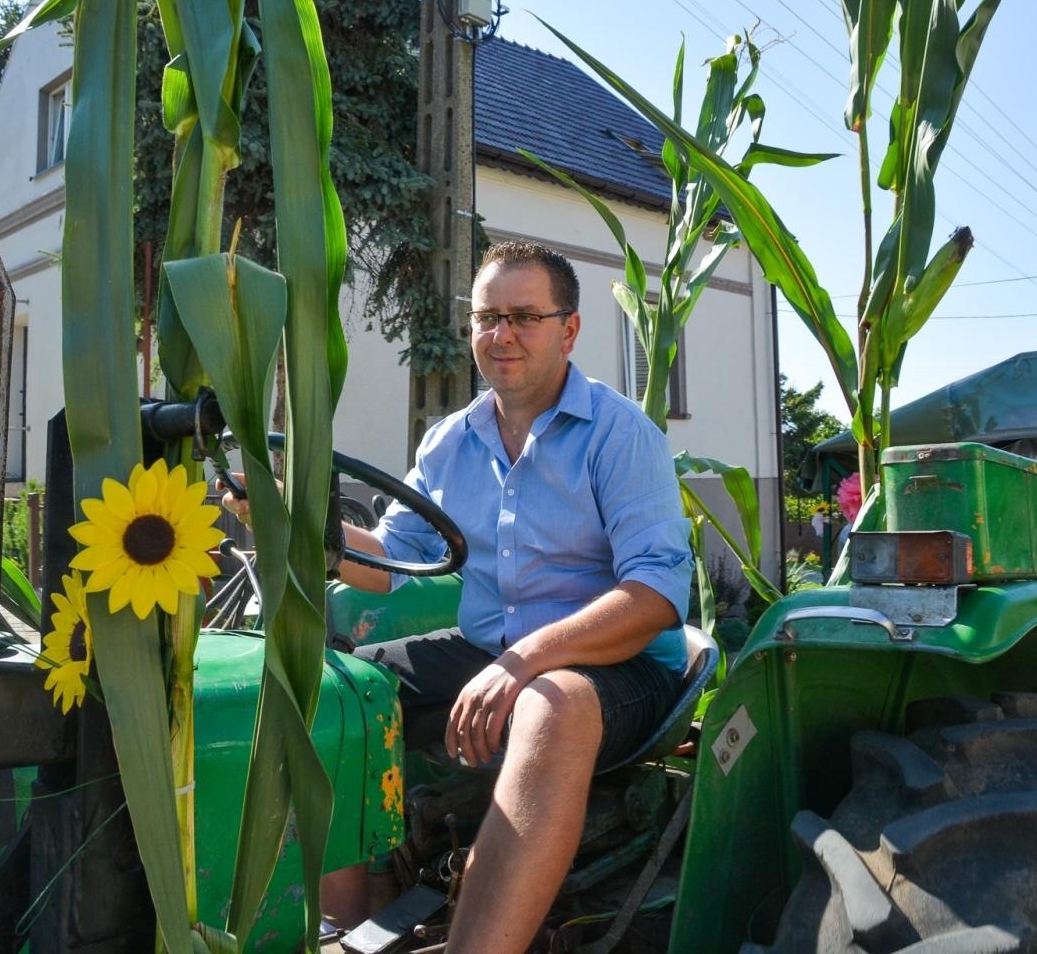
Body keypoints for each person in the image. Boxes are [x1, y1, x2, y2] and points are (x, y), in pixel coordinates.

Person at [223, 240, 692, 954]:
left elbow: (657, 595)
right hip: (488, 649)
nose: (502, 335)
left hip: (617, 666)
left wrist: (524, 662)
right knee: (327, 688)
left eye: (525, 318)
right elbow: (391, 566)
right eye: (487, 317)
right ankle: (341, 928)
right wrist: (293, 517)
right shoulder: (450, 441)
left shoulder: (621, 435)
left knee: (551, 703)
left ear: (568, 330)